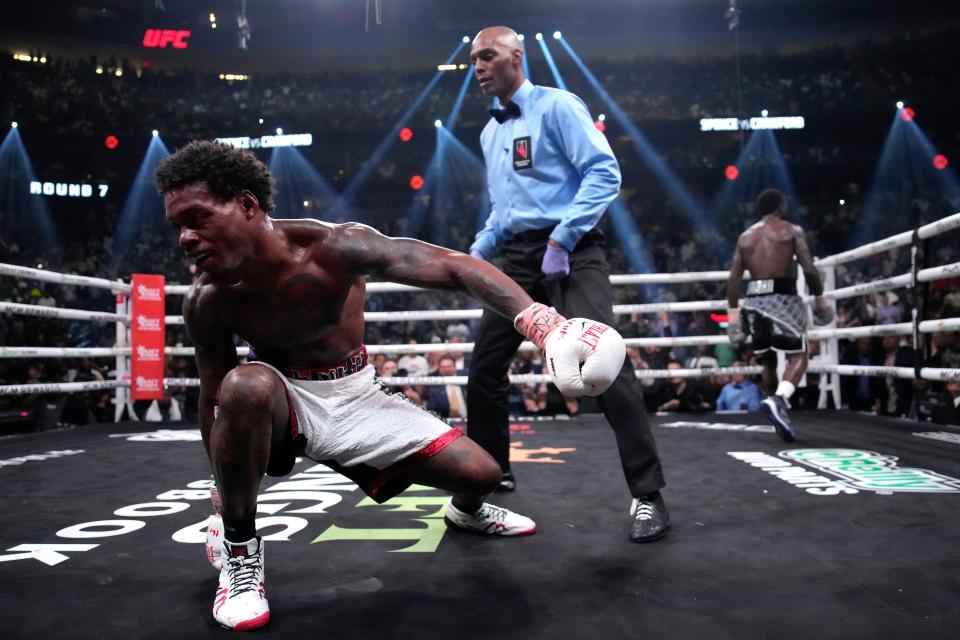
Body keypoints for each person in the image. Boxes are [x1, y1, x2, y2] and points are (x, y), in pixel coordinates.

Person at [154, 140, 625, 631]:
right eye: (177, 227)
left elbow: (452, 265)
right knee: (243, 385)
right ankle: (239, 555)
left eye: (198, 218)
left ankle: (465, 513)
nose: (186, 238)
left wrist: (542, 323)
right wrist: (221, 488)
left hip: (356, 395)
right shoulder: (208, 300)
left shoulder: (334, 247)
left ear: (247, 204)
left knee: (483, 475)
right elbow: (213, 397)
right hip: (279, 400)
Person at [465, 26, 668, 543]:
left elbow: (604, 171)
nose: (478, 67)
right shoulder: (490, 132)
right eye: (472, 59)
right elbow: (502, 212)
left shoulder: (557, 106)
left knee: (607, 361)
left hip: (574, 252)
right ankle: (492, 471)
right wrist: (475, 252)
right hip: (516, 259)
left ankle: (648, 496)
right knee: (484, 368)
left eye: (487, 56)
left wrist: (563, 237)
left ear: (516, 56)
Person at [726, 188, 834, 441]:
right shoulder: (791, 230)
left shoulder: (745, 237)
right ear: (780, 207)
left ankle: (777, 413)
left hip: (753, 301)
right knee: (800, 354)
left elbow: (733, 280)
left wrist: (733, 319)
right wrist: (820, 299)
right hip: (783, 299)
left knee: (767, 360)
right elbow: (808, 268)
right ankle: (780, 399)